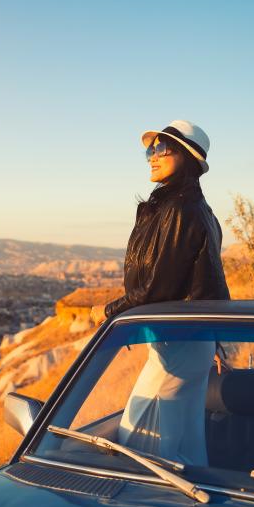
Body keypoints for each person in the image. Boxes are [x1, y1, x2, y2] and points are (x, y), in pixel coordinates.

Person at [90, 119, 230, 464]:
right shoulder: (188, 208)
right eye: (149, 149)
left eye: (162, 148)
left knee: (140, 443)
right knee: (183, 441)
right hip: (187, 338)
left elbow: (158, 287)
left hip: (180, 339)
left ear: (187, 157)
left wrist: (111, 312)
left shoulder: (181, 210)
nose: (152, 156)